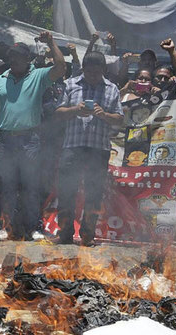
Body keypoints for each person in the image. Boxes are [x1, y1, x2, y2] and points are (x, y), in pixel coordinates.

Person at [0, 32, 66, 241]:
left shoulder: (38, 76)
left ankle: (34, 228)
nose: (14, 60)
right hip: (6, 140)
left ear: (27, 59)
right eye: (11, 57)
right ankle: (6, 227)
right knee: (8, 185)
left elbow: (60, 67)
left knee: (31, 185)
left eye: (18, 57)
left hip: (30, 140)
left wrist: (51, 42)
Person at [53, 51, 124, 246]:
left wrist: (104, 115)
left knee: (94, 193)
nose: (93, 75)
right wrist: (75, 110)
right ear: (83, 69)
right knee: (67, 190)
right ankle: (65, 234)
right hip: (72, 146)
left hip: (98, 148)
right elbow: (58, 113)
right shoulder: (71, 84)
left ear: (104, 70)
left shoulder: (112, 89)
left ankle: (87, 235)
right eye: (89, 71)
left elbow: (120, 119)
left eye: (97, 71)